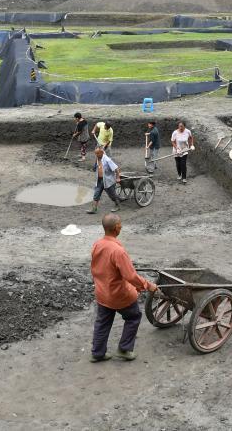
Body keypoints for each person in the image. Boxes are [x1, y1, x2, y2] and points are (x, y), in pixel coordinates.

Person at [89, 213, 158, 362]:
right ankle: (125, 349)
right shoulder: (118, 251)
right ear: (116, 228)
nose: (121, 226)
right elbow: (131, 276)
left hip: (102, 292)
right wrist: (148, 285)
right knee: (133, 317)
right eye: (120, 224)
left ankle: (97, 353)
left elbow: (98, 267)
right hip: (119, 295)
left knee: (102, 322)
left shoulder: (97, 244)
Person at [87, 147, 121, 214]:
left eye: (97, 153)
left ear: (102, 153)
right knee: (96, 194)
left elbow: (116, 169)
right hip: (99, 180)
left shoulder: (107, 160)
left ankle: (117, 205)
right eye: (95, 153)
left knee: (112, 195)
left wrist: (118, 177)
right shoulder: (97, 159)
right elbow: (95, 168)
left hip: (108, 181)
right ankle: (94, 209)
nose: (96, 155)